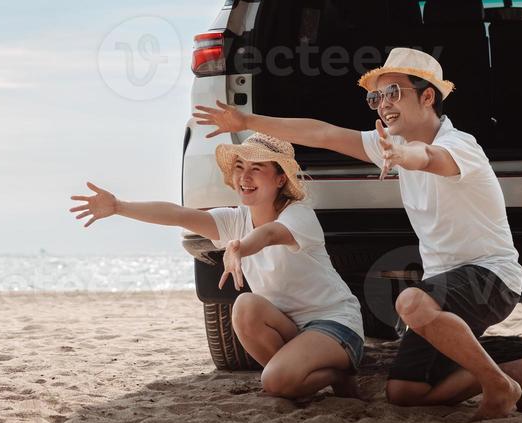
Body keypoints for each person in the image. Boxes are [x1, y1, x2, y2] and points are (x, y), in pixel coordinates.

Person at [194, 47, 522, 420]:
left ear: (427, 97)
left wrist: (403, 157)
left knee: (410, 302)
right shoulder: (394, 141)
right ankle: (514, 374)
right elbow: (320, 132)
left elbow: (428, 158)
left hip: (492, 276)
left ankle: (497, 387)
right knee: (404, 392)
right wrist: (245, 119)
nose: (383, 105)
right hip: (443, 288)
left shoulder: (460, 146)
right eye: (377, 96)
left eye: (394, 93)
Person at [70, 133, 363, 401]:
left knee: (275, 383)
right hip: (292, 329)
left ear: (280, 179)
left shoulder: (299, 216)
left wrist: (238, 247)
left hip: (334, 324)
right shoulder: (236, 219)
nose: (244, 177)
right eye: (239, 167)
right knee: (245, 307)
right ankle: (308, 374)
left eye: (257, 168)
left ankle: (333, 374)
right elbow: (178, 215)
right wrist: (119, 206)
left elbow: (270, 234)